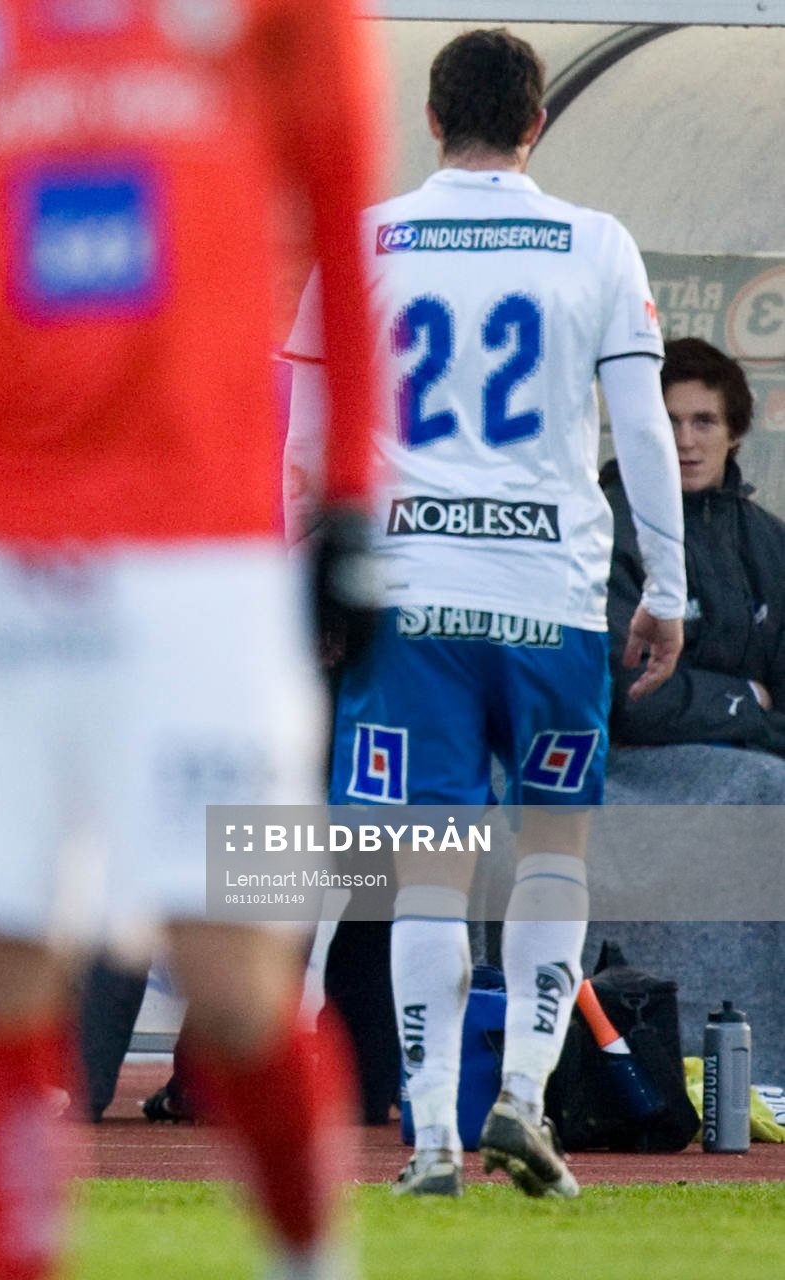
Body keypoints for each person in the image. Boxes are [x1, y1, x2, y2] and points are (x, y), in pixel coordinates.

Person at [0, 3, 387, 1278]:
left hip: (201, 558)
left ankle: (310, 1253)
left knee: (235, 977)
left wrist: (352, 493)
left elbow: (341, 222)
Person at [289, 29, 687, 1199]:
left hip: (411, 598)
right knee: (554, 852)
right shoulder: (597, 242)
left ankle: (428, 1135)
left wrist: (309, 581)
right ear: (536, 123)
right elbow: (644, 429)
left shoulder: (363, 242)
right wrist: (667, 587)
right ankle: (522, 1090)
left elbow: (304, 445)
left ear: (430, 118)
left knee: (425, 872)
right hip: (551, 599)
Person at [604, 337, 785, 769]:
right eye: (669, 422)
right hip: (628, 772)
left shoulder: (772, 541)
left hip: (756, 755)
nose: (685, 441)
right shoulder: (601, 526)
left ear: (734, 433)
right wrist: (747, 698)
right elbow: (631, 698)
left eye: (704, 422)